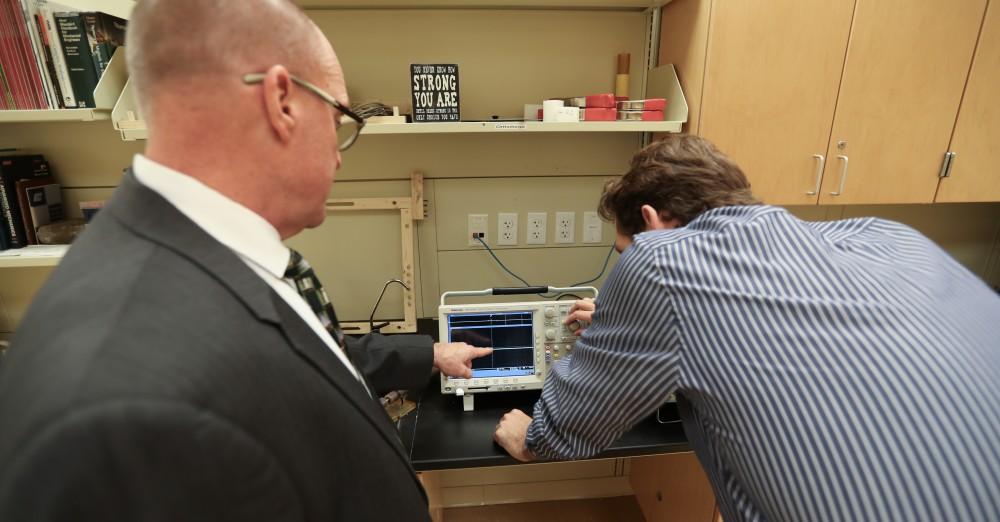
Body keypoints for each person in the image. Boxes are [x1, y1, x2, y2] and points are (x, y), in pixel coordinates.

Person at [0, 1, 491, 520]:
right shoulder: (119, 404)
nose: (341, 152)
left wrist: (428, 356)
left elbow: (300, 352)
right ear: (281, 102)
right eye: (338, 119)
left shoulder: (203, 257)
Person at [494, 134, 1000, 521]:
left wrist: (530, 438)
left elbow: (571, 428)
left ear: (653, 223)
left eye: (625, 250)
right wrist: (629, 325)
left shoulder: (659, 258)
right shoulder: (886, 236)